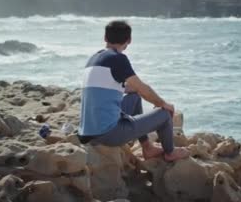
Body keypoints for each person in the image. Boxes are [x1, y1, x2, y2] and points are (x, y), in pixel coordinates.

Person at [77, 20, 190, 162]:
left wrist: (139, 92)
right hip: (108, 134)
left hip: (86, 133)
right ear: (129, 40)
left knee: (134, 96)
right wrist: (163, 103)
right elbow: (142, 88)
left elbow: (124, 88)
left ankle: (147, 147)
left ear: (105, 38)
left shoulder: (94, 59)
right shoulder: (117, 59)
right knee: (165, 114)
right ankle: (170, 152)